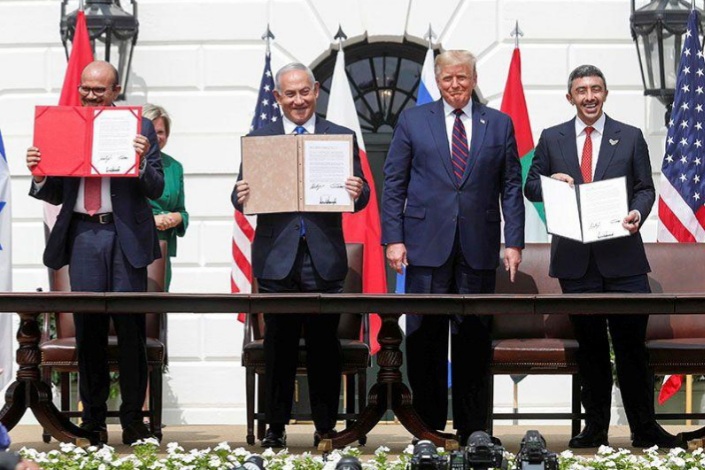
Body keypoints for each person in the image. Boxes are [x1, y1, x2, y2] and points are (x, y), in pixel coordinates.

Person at [524, 64, 681, 449]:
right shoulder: (552, 138)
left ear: (605, 94)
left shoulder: (630, 136)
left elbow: (645, 189)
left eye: (596, 89)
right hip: (576, 262)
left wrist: (637, 213)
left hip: (623, 260)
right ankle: (595, 428)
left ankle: (644, 429)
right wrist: (549, 183)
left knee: (632, 349)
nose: (589, 96)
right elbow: (530, 187)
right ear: (570, 97)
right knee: (591, 349)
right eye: (582, 90)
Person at [381, 50, 525, 443]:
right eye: (447, 78)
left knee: (473, 340)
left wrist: (514, 241)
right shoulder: (413, 120)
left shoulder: (498, 123)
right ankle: (427, 428)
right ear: (438, 80)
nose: (455, 85)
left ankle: (473, 428)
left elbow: (511, 186)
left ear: (474, 79)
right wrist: (394, 238)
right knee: (425, 339)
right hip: (425, 247)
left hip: (478, 247)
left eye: (462, 77)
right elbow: (394, 183)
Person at [26, 61, 164, 446]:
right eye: (85, 88)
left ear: (115, 90)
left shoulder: (140, 128)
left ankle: (133, 420)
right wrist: (39, 175)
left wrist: (140, 162)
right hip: (83, 233)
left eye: (99, 90)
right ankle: (94, 420)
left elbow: (156, 188)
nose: (90, 95)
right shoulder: (65, 125)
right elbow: (56, 191)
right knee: (89, 330)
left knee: (131, 329)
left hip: (124, 235)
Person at [232, 62, 370, 448]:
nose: (298, 100)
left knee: (325, 347)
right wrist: (240, 195)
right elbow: (240, 195)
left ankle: (326, 428)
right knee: (279, 347)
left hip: (323, 257)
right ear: (278, 97)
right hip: (277, 258)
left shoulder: (339, 136)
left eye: (304, 92)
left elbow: (361, 198)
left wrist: (358, 190)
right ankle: (275, 428)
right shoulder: (260, 139)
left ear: (316, 91)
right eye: (290, 94)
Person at [142, 104, 189, 291]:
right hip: (136, 243)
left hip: (162, 247)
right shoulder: (128, 163)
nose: (156, 137)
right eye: (151, 131)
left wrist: (176, 218)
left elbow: (182, 211)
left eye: (160, 132)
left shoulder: (174, 166)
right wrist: (152, 220)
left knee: (158, 303)